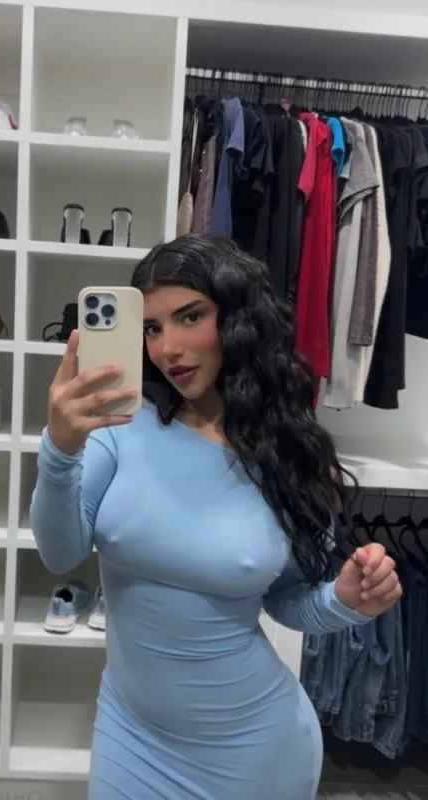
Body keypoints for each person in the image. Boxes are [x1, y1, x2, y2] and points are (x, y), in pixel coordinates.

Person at [30, 234, 402, 800]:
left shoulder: (290, 460)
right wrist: (60, 448)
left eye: (190, 317)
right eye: (152, 328)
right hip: (132, 733)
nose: (168, 349)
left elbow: (286, 601)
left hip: (253, 749)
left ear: (238, 318)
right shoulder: (122, 427)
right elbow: (59, 554)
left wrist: (344, 602)